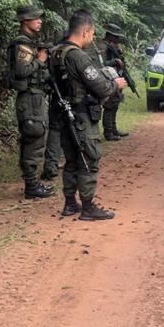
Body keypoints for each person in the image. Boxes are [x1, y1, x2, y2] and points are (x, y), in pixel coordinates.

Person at [49, 11, 127, 220]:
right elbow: (100, 87)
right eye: (92, 33)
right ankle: (88, 207)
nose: (92, 38)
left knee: (72, 160)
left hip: (63, 115)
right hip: (81, 115)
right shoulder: (78, 56)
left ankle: (69, 203)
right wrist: (115, 84)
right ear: (85, 31)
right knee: (88, 160)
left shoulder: (56, 52)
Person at [8, 4, 55, 199]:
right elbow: (22, 71)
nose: (40, 21)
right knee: (34, 138)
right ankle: (32, 186)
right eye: (36, 18)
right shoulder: (22, 43)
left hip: (34, 97)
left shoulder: (30, 42)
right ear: (25, 21)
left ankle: (32, 183)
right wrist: (41, 59)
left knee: (34, 138)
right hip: (29, 98)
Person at [99, 23, 129, 140]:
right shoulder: (102, 46)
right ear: (110, 35)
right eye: (116, 37)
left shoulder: (114, 46)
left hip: (117, 77)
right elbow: (101, 64)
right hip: (108, 79)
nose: (118, 39)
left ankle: (114, 129)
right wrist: (115, 61)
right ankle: (109, 132)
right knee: (110, 105)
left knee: (115, 103)